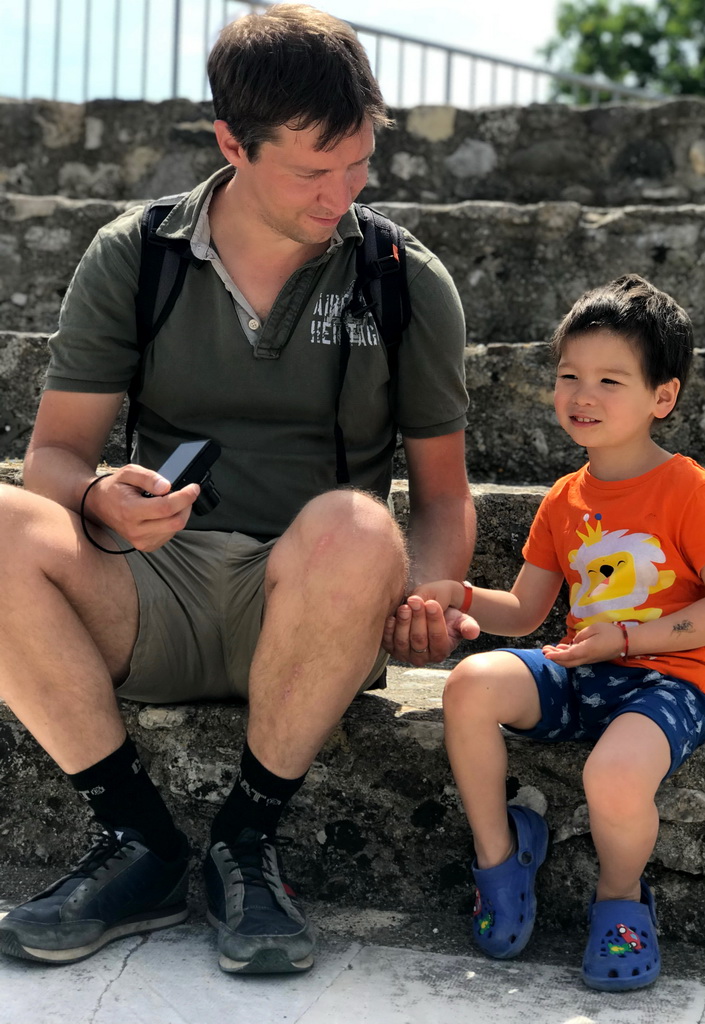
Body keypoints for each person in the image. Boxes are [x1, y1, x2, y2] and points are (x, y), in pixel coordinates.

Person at [0, 5, 477, 976]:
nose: (341, 191)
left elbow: (441, 496)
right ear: (230, 142)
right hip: (149, 592)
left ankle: (246, 840)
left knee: (355, 521)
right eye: (312, 169)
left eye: (359, 162)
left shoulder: (402, 278)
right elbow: (52, 460)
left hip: (315, 603)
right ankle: (139, 840)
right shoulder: (135, 256)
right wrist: (97, 500)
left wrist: (429, 591)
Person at [392, 274, 705, 992]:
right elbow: (527, 612)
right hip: (581, 671)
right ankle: (501, 859)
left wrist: (625, 641)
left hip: (669, 683)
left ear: (663, 397)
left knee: (612, 775)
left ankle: (620, 901)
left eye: (609, 380)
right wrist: (458, 594)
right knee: (471, 684)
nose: (582, 395)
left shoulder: (690, 490)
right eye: (569, 376)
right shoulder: (565, 498)